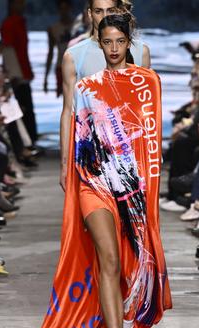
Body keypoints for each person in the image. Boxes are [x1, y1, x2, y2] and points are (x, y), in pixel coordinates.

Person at [37, 14, 170, 328]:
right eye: (107, 42)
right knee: (109, 259)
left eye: (119, 42)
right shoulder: (87, 88)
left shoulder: (148, 83)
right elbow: (82, 139)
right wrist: (73, 172)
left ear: (130, 43)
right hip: (94, 183)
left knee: (131, 265)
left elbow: (152, 142)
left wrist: (148, 190)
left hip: (132, 186)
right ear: (99, 43)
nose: (113, 49)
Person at [59, 0, 151, 189]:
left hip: (130, 155)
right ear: (90, 14)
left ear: (119, 11)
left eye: (110, 10)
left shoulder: (140, 52)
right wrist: (64, 164)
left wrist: (151, 156)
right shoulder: (74, 55)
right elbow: (69, 111)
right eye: (99, 11)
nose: (104, 16)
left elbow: (146, 111)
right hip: (91, 155)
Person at [0, 0, 38, 145]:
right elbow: (9, 50)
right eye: (19, 2)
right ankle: (27, 143)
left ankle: (29, 142)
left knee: (26, 109)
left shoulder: (18, 22)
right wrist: (15, 74)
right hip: (18, 74)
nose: (22, 5)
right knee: (23, 109)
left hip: (21, 71)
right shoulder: (10, 24)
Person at [44, 0, 73, 97]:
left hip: (76, 67)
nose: (64, 11)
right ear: (58, 10)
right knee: (65, 98)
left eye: (66, 8)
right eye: (61, 9)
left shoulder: (77, 27)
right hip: (61, 67)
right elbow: (50, 53)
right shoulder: (53, 29)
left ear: (69, 8)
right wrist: (45, 78)